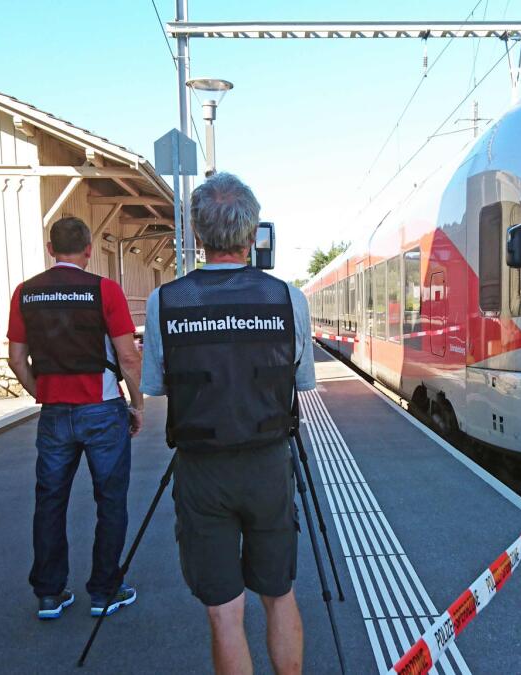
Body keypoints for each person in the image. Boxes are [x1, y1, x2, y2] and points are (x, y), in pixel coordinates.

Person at [141, 173, 316, 675]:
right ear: (251, 233)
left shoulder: (166, 302)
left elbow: (157, 385)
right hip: (268, 465)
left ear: (198, 234)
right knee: (279, 594)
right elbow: (301, 381)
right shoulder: (288, 299)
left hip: (201, 471)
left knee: (224, 611)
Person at [6, 216, 145, 620]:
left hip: (54, 415)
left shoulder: (25, 293)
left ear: (51, 250)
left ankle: (50, 594)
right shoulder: (104, 290)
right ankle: (104, 591)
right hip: (102, 410)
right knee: (110, 500)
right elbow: (129, 356)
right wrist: (137, 404)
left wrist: (43, 393)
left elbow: (16, 359)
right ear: (88, 249)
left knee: (50, 501)